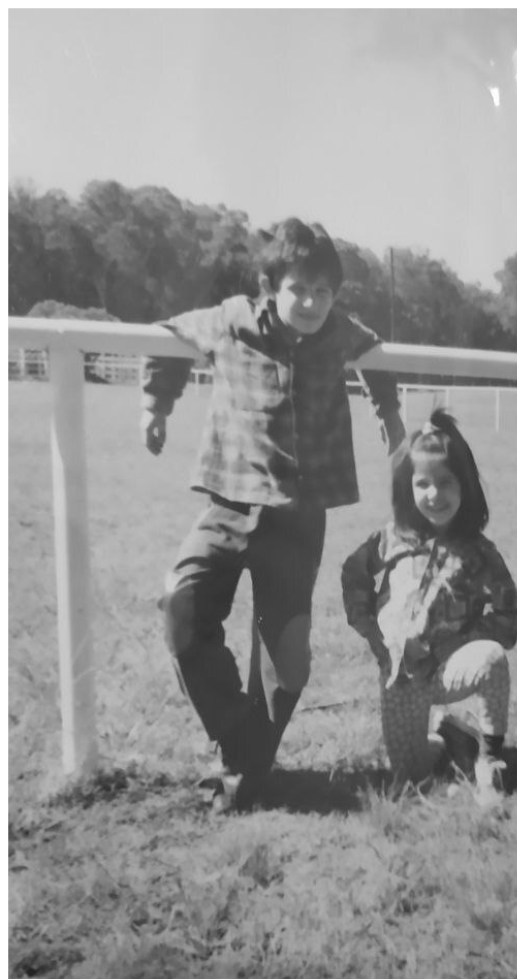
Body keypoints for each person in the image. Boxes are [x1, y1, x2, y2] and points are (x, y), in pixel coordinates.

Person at [140, 217, 405, 808]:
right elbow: (169, 335)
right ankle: (243, 748)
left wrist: (390, 417)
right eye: (298, 289)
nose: (311, 303)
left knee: (287, 663)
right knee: (182, 605)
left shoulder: (340, 332)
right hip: (229, 502)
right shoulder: (232, 318)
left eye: (323, 291)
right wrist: (155, 406)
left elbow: (377, 355)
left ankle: (245, 770)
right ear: (270, 286)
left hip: (298, 519)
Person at [341, 408, 517, 805]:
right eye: (422, 483)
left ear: (464, 486)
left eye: (445, 482)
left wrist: (455, 645)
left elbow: (511, 616)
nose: (434, 494)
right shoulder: (391, 538)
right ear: (407, 487)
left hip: (449, 668)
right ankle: (451, 737)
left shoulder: (480, 553)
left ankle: (489, 760)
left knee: (492, 659)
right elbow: (353, 573)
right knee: (409, 781)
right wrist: (372, 633)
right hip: (400, 676)